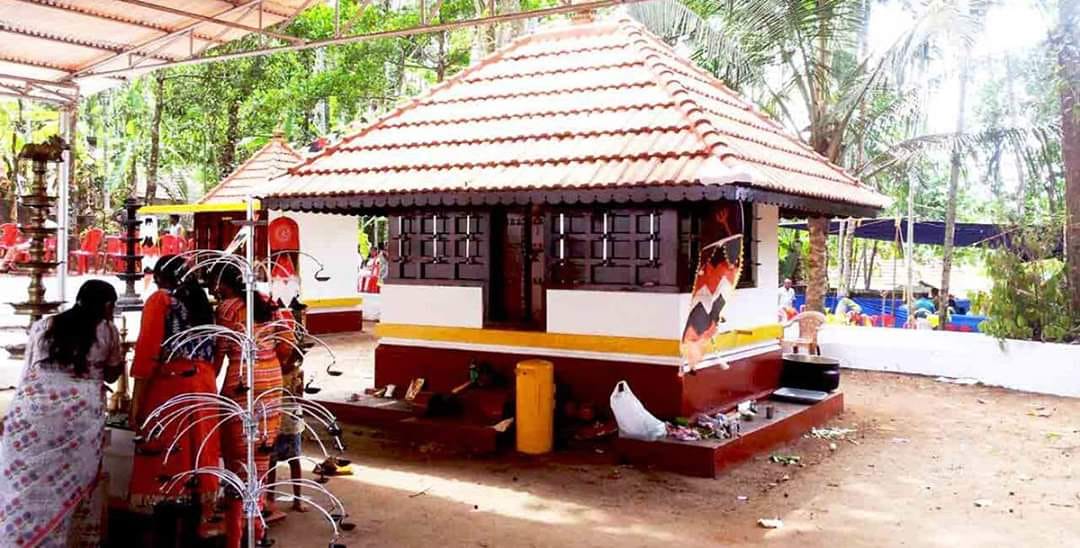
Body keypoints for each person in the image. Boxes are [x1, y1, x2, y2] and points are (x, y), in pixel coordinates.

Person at [0, 280, 122, 547]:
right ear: (106, 305)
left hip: (31, 412)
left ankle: (16, 538)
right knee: (65, 487)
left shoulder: (44, 325)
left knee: (23, 482)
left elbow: (29, 369)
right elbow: (113, 371)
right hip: (78, 419)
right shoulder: (107, 330)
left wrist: (14, 412)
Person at [129, 256, 221, 537]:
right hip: (204, 387)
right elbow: (214, 354)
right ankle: (195, 530)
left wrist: (136, 405)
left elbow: (147, 356)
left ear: (160, 279)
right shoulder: (202, 304)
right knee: (198, 461)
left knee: (168, 464)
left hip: (172, 386)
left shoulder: (161, 300)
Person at [213, 267, 289, 548]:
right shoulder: (268, 303)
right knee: (261, 454)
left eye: (216, 282)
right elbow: (287, 344)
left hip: (242, 383)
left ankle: (235, 538)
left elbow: (219, 354)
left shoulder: (228, 309)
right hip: (272, 382)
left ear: (225, 284)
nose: (214, 288)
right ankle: (257, 531)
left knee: (237, 460)